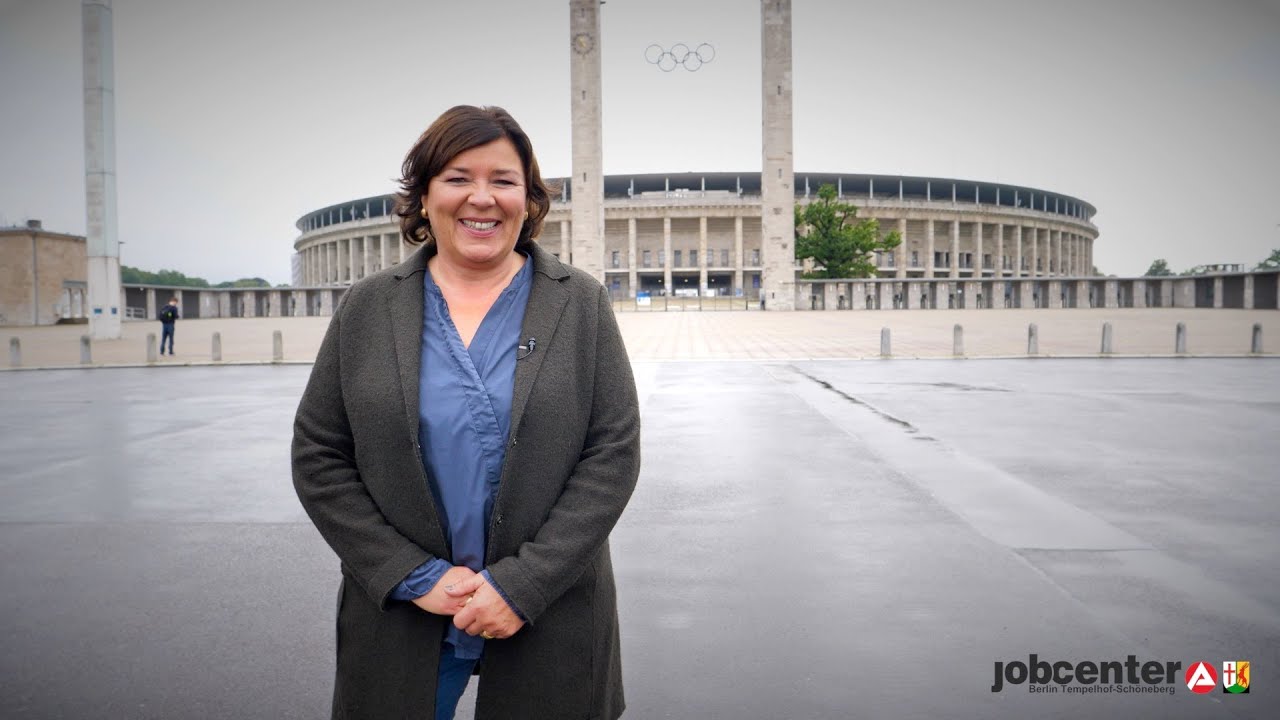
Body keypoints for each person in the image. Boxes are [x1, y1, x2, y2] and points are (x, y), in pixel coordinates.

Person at [292, 105, 641, 720]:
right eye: (457, 178)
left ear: (528, 200)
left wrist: (523, 584)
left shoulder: (578, 302)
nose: (482, 199)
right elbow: (320, 455)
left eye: (504, 181)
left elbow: (611, 453)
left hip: (550, 602)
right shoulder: (370, 308)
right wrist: (412, 575)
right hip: (407, 607)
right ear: (424, 198)